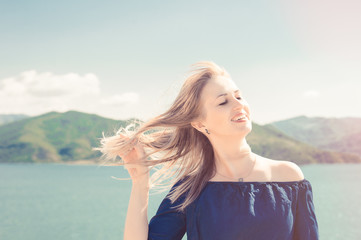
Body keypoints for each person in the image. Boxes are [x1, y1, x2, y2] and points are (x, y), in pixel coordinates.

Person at [97, 61, 319, 240]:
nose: (239, 104)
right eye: (223, 102)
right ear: (200, 124)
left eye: (239, 96)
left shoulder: (289, 177)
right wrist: (140, 183)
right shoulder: (190, 190)